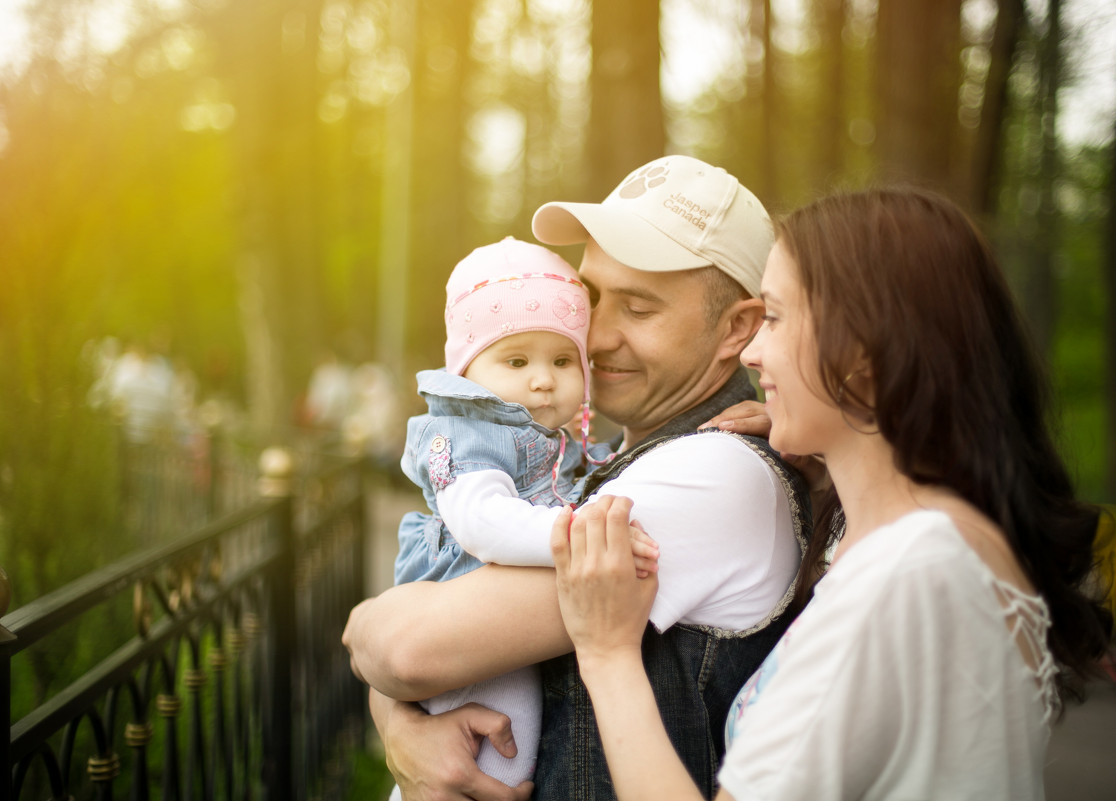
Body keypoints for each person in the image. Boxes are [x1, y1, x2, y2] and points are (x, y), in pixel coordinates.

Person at [550, 187, 1115, 801]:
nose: (754, 351)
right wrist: (825, 455)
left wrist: (607, 656)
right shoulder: (926, 542)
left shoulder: (907, 575)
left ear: (864, 350)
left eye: (774, 317)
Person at [343, 155, 812, 800]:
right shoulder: (599, 457)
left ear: (737, 328)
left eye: (639, 309)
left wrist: (375, 647)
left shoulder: (718, 476)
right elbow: (408, 651)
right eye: (592, 298)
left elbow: (407, 651)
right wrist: (402, 727)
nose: (594, 338)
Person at [389, 236, 644, 792]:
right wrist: (577, 532)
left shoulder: (550, 438)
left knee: (504, 743)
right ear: (468, 370)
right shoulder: (464, 435)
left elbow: (594, 474)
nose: (543, 379)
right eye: (516, 360)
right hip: (461, 613)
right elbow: (482, 521)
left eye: (561, 360)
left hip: (497, 623)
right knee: (498, 748)